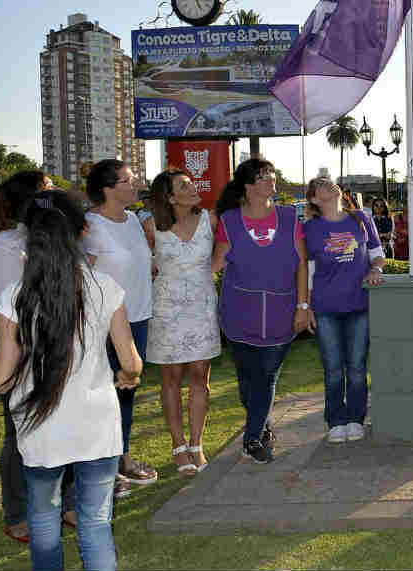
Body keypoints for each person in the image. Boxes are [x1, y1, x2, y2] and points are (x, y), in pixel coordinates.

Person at [0, 190, 143, 571]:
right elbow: (131, 362)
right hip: (97, 425)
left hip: (40, 428)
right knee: (95, 526)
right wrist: (126, 376)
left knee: (43, 522)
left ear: (28, 235)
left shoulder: (15, 297)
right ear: (82, 230)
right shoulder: (105, 288)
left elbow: (1, 380)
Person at [0, 171, 74, 543]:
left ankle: (64, 503)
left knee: (58, 429)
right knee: (18, 435)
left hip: (48, 347)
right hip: (18, 353)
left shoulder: (37, 240)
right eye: (47, 193)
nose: (54, 199)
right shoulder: (6, 247)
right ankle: (18, 513)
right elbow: (8, 309)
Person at [213, 158, 309, 464]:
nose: (272, 180)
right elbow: (216, 264)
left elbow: (301, 264)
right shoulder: (228, 221)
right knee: (247, 379)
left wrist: (303, 305)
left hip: (282, 312)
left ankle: (252, 438)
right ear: (248, 185)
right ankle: (262, 422)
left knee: (266, 376)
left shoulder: (288, 217)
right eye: (264, 176)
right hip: (238, 312)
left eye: (272, 174)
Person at [84, 159, 157, 497]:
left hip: (138, 318)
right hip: (104, 326)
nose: (136, 183)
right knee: (104, 398)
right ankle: (103, 470)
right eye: (128, 180)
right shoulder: (89, 226)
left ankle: (122, 459)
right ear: (108, 189)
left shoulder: (132, 220)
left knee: (127, 394)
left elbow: (142, 265)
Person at [147, 169, 221, 475]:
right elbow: (145, 266)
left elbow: (225, 253)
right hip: (166, 309)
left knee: (200, 378)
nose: (193, 187)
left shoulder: (211, 220)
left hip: (202, 308)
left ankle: (196, 444)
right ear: (169, 196)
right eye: (184, 185)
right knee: (171, 380)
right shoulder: (151, 226)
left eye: (191, 182)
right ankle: (178, 446)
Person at [304, 177, 385, 443]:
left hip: (359, 304)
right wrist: (306, 307)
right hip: (326, 307)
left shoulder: (361, 219)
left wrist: (376, 269)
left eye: (330, 183)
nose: (329, 185)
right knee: (333, 367)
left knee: (358, 367)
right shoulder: (311, 228)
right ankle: (336, 420)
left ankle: (355, 418)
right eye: (322, 186)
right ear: (315, 199)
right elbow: (308, 271)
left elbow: (377, 252)